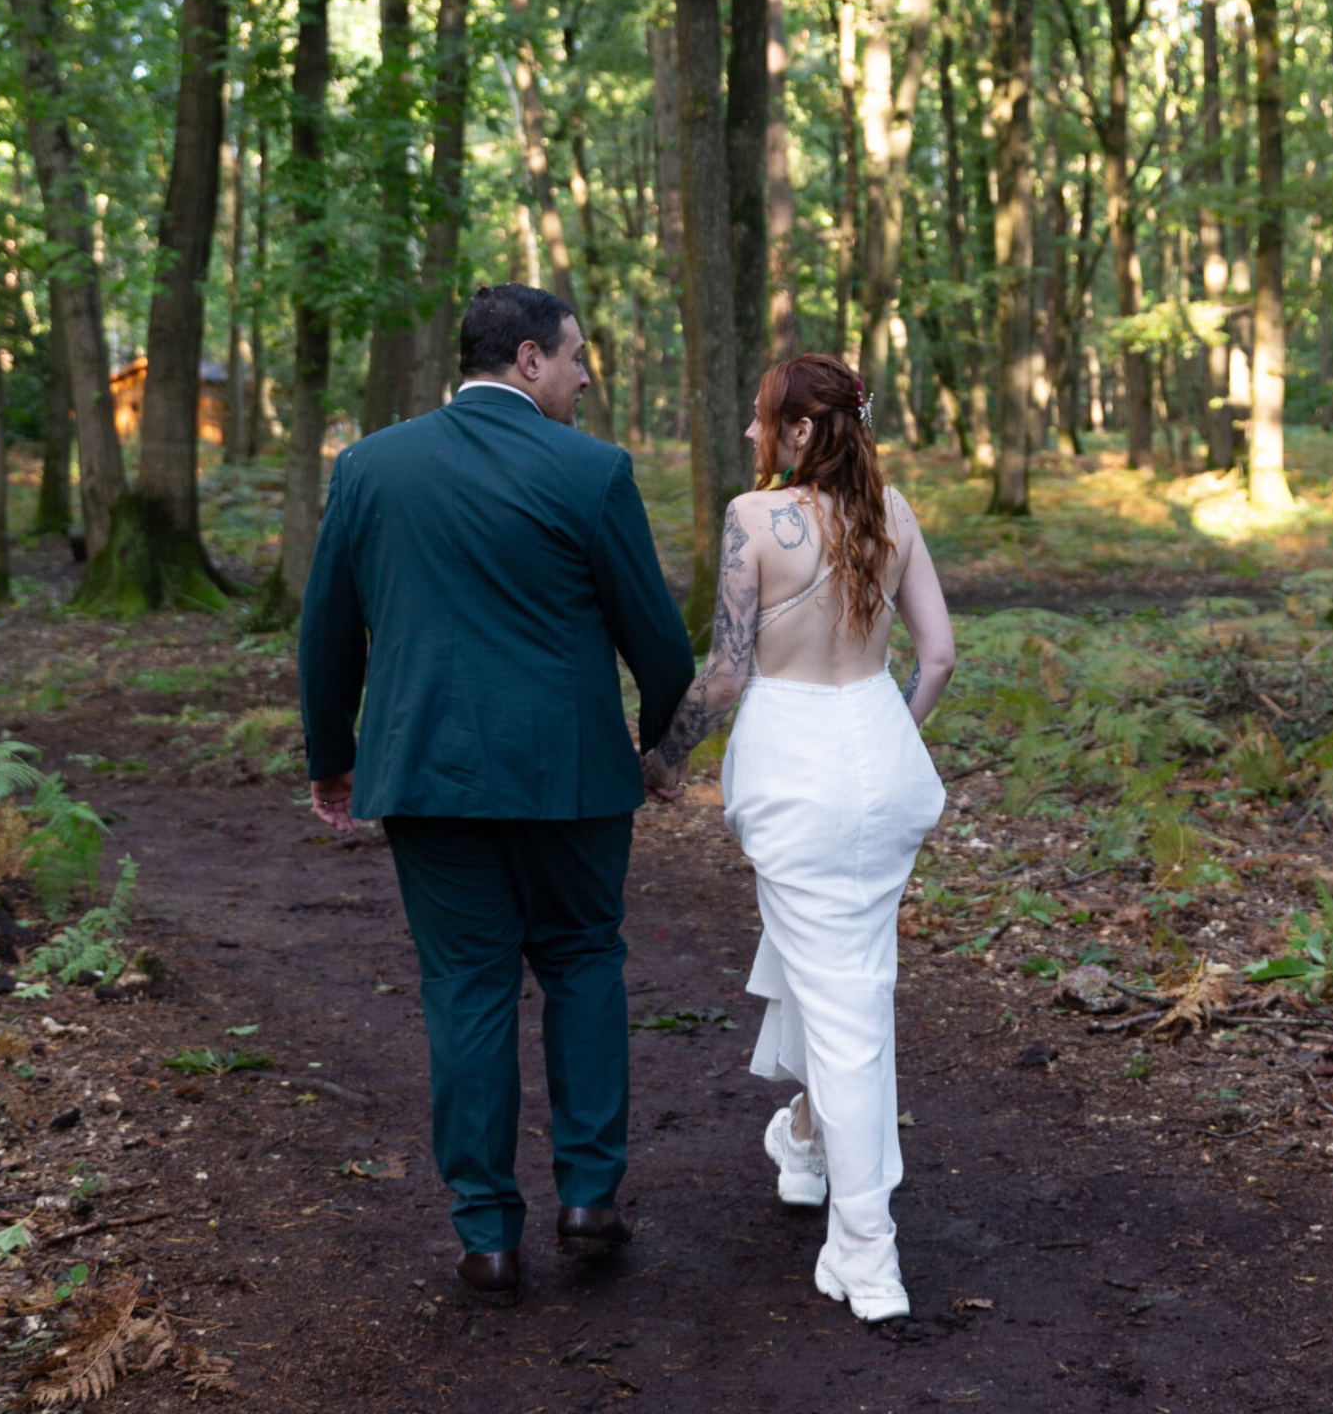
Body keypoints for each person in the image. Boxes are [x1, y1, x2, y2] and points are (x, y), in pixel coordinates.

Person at [299, 284, 695, 1306]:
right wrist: (660, 747)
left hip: (427, 775)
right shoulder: (593, 471)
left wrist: (331, 756)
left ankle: (485, 1234)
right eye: (575, 360)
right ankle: (589, 1201)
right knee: (583, 968)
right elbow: (656, 639)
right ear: (527, 358)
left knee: (465, 989)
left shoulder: (370, 467)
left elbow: (328, 633)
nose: (584, 377)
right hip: (570, 780)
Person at [643, 353, 955, 1323]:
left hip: (795, 770)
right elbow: (939, 658)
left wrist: (660, 758)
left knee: (851, 1005)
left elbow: (727, 677)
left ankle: (867, 1251)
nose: (750, 435)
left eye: (763, 418)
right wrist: (887, 733)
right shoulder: (893, 514)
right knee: (831, 955)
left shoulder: (755, 520)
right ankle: (806, 1141)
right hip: (881, 752)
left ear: (804, 431)